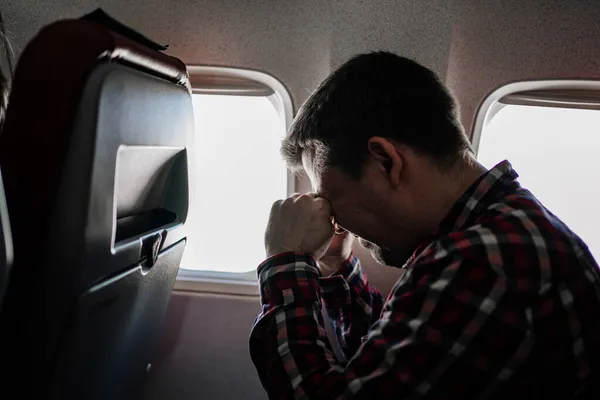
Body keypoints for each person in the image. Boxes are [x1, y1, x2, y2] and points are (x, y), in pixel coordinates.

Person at [249, 51, 600, 399]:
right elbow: (398, 360)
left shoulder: (483, 260)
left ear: (386, 161)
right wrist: (336, 268)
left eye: (330, 198)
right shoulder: (496, 229)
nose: (334, 219)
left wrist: (285, 261)